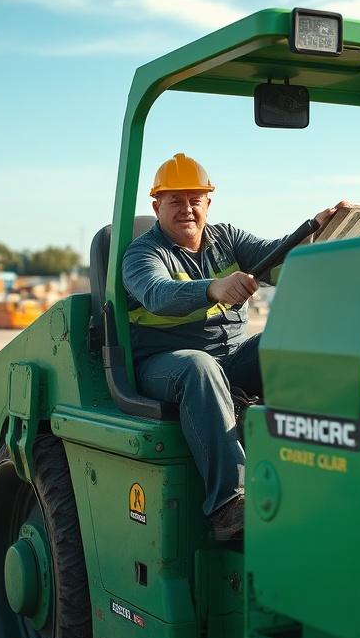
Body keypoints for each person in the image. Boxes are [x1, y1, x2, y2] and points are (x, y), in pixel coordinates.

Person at [122, 152, 342, 540]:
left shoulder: (226, 238)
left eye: (195, 200)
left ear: (209, 202)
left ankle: (320, 465)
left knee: (289, 342)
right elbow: (157, 293)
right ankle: (228, 505)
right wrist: (212, 287)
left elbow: (274, 255)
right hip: (165, 365)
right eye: (176, 200)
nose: (187, 209)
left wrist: (312, 236)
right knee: (199, 367)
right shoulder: (143, 254)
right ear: (157, 205)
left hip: (231, 359)